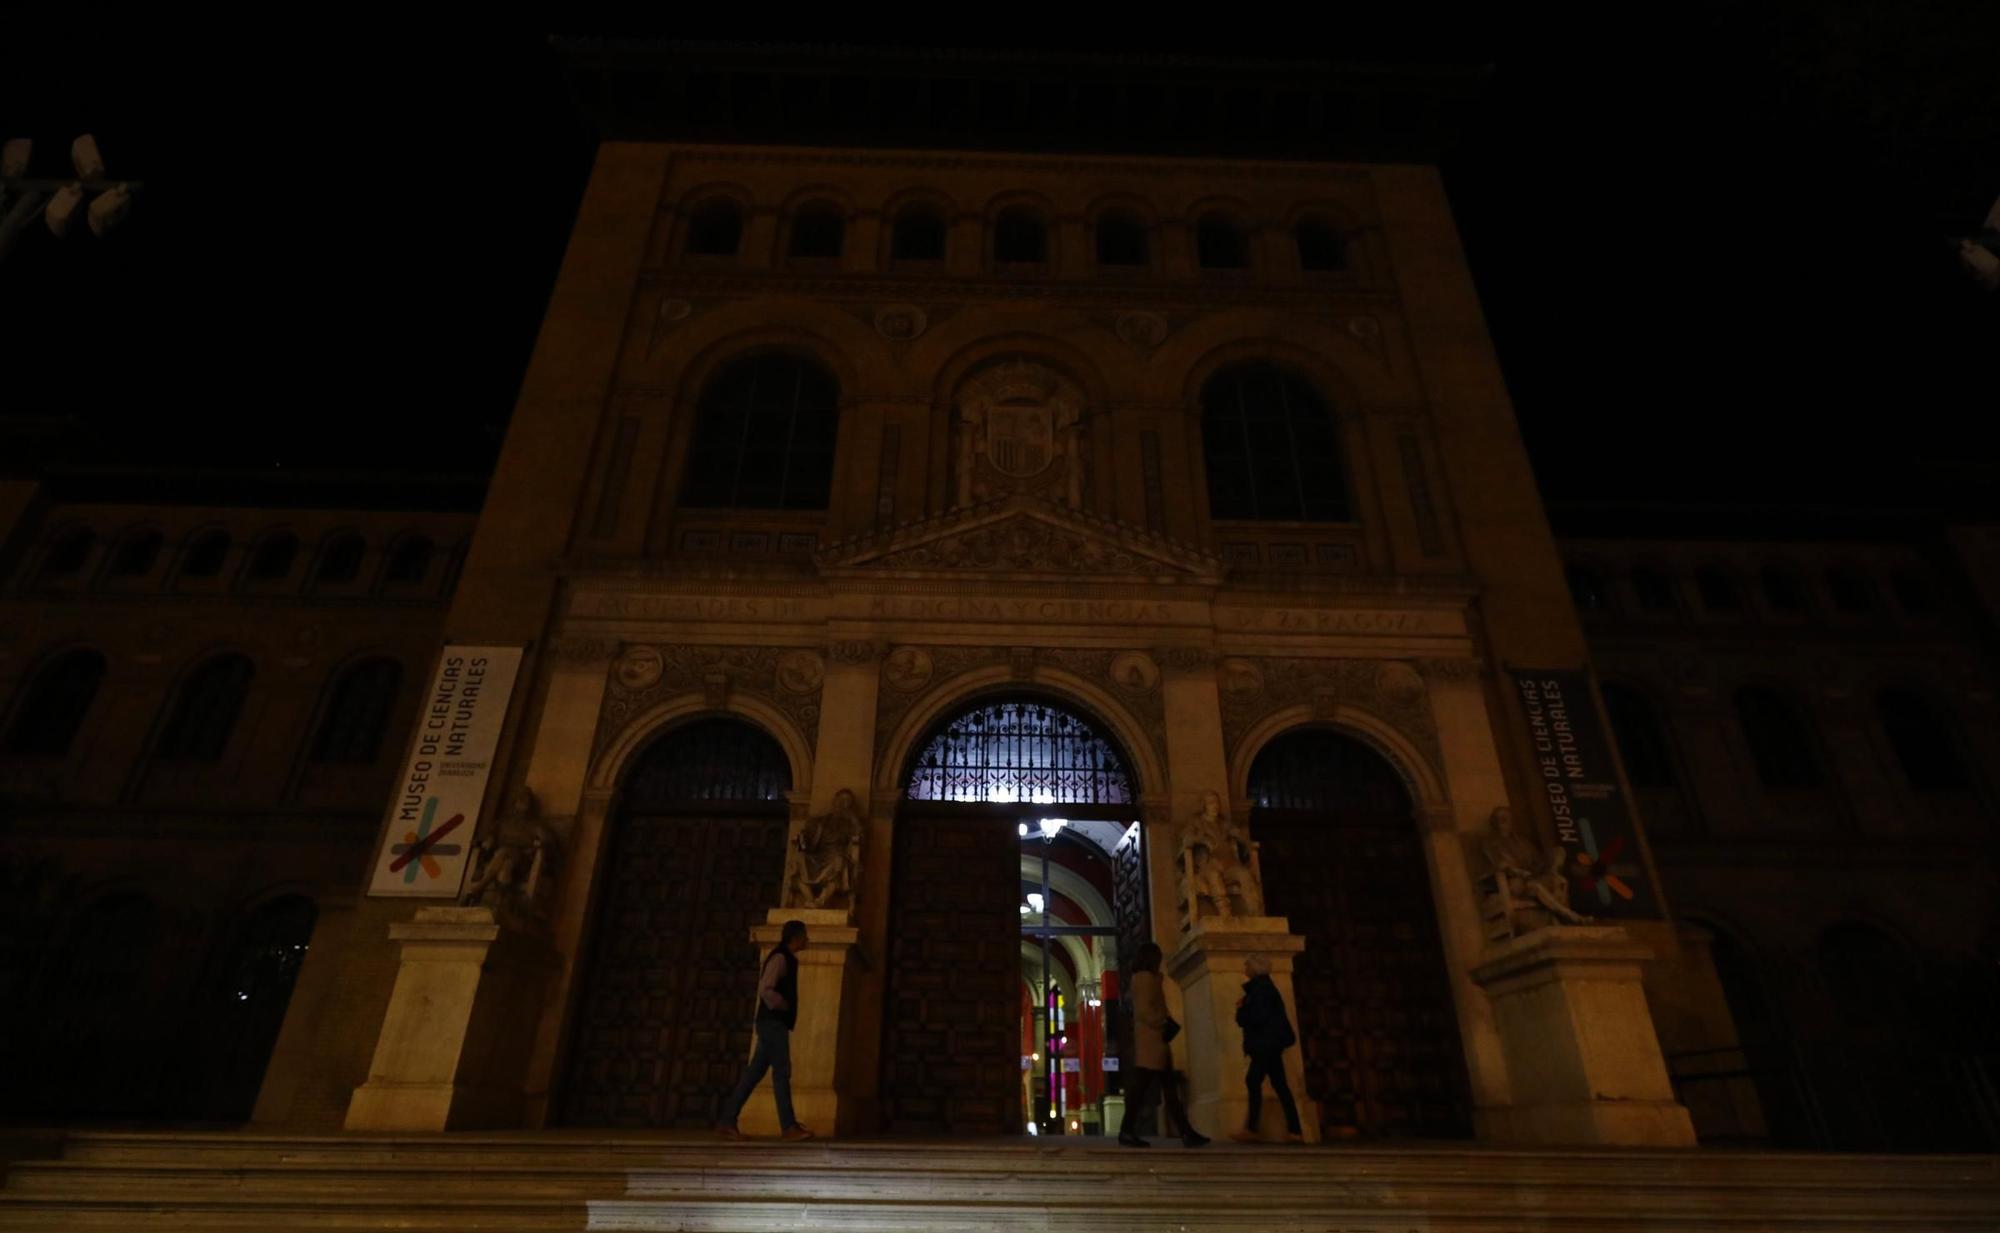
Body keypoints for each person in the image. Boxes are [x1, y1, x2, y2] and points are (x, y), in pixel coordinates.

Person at [717, 919, 816, 1141]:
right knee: (781, 1072)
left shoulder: (786, 958)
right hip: (773, 1023)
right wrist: (782, 1004)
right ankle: (788, 1126)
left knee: (754, 1074)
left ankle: (727, 1119)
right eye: (805, 935)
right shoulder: (781, 958)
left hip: (771, 1023)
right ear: (796, 937)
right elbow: (765, 989)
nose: (807, 940)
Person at [1117, 941, 1210, 1148]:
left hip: (1154, 1042)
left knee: (1163, 1090)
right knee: (1148, 1089)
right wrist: (1163, 1021)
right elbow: (1145, 1011)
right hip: (1152, 1040)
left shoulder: (1148, 978)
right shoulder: (1145, 979)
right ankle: (1128, 1130)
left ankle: (1185, 1132)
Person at [1229, 953, 1303, 1144]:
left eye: (1247, 965)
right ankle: (1294, 1130)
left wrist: (1241, 1009)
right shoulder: (1264, 988)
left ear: (1254, 968)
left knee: (1253, 1080)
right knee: (1279, 1085)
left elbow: (1256, 1017)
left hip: (1264, 1044)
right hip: (1270, 1044)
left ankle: (1253, 1129)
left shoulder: (1261, 990)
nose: (1245, 968)